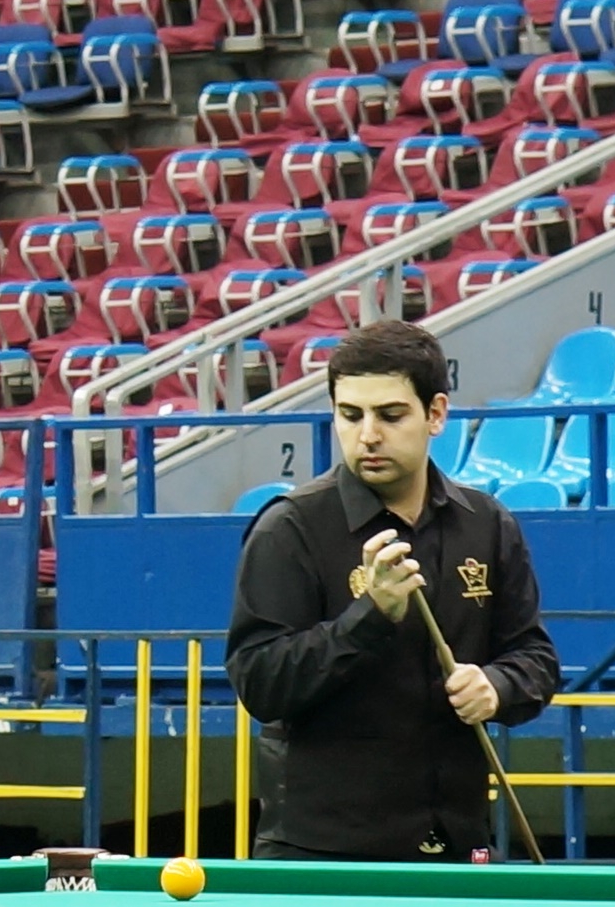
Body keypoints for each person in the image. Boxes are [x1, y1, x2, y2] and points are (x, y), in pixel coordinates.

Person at [226, 321, 558, 861]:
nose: (368, 436)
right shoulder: (289, 529)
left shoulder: (488, 524)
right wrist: (371, 616)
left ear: (436, 414)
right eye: (350, 415)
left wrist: (497, 685)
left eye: (390, 415)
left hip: (458, 848)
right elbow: (260, 683)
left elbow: (536, 657)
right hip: (325, 858)